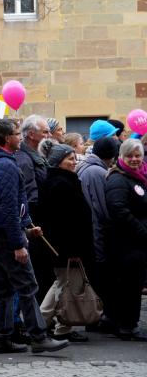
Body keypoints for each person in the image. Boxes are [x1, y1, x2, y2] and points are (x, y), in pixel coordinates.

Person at [0, 118, 68, 354]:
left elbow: (15, 203)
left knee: (5, 287)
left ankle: (2, 337)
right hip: (6, 234)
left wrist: (28, 225)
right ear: (7, 138)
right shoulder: (5, 166)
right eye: (17, 133)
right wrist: (18, 243)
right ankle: (38, 337)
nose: (20, 137)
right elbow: (8, 208)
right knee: (28, 285)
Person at [37, 141, 94, 342]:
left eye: (73, 158)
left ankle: (55, 327)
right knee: (64, 282)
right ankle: (43, 325)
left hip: (68, 244)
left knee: (64, 282)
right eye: (69, 159)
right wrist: (73, 247)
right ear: (58, 162)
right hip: (67, 245)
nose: (74, 161)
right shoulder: (60, 184)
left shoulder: (65, 180)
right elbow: (65, 221)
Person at [104, 139, 147, 341]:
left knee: (132, 284)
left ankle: (125, 323)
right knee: (128, 286)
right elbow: (118, 211)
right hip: (125, 244)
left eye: (137, 155)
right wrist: (142, 230)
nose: (134, 159)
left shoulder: (137, 177)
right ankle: (127, 326)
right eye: (130, 155)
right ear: (121, 156)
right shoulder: (118, 179)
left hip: (134, 244)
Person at [77, 136, 119, 329]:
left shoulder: (90, 168)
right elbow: (102, 208)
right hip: (97, 232)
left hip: (92, 230)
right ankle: (97, 317)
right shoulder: (96, 172)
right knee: (99, 276)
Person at [15, 115, 52, 301]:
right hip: (34, 223)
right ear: (31, 134)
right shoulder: (24, 159)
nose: (49, 135)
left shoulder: (36, 155)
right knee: (37, 272)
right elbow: (29, 196)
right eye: (45, 131)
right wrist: (32, 224)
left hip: (40, 219)